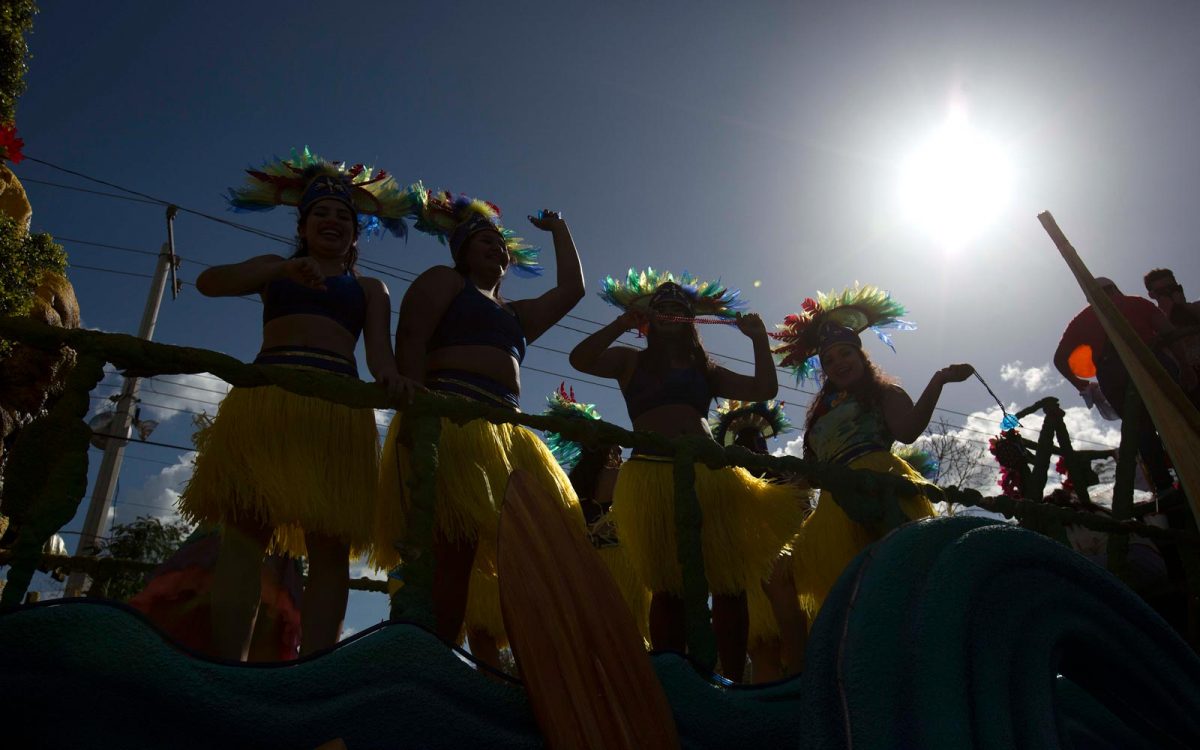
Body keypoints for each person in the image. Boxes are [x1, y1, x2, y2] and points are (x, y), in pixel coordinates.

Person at [179, 148, 423, 660]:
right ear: (303, 224)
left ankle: (316, 669)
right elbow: (207, 283)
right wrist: (280, 275)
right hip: (269, 400)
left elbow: (380, 357)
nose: (332, 221)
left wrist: (394, 379)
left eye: (343, 216)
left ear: (357, 234)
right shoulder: (275, 267)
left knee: (330, 547)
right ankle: (228, 665)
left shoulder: (372, 289)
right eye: (321, 214)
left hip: (337, 411)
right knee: (246, 535)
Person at [570, 269, 804, 682]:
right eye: (663, 308)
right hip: (651, 475)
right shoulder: (630, 360)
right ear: (650, 318)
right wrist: (621, 323)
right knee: (668, 584)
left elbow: (764, 388)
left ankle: (732, 680)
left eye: (680, 309)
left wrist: (757, 340)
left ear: (690, 320)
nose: (672, 313)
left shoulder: (705, 368)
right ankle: (674, 681)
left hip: (709, 472)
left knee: (728, 581)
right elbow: (580, 359)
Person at [375, 194, 586, 648]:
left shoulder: (516, 314)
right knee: (447, 545)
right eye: (484, 241)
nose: (497, 249)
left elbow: (572, 291)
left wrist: (560, 230)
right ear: (463, 250)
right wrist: (417, 414)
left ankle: (451, 652)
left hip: (501, 433)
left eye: (502, 245)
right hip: (449, 416)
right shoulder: (445, 281)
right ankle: (425, 651)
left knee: (480, 550)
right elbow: (411, 334)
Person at [773, 285, 971, 621]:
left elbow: (907, 431)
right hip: (833, 503)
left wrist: (938, 380)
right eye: (829, 359)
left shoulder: (883, 393)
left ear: (861, 355)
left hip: (878, 486)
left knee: (889, 582)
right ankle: (799, 665)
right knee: (780, 575)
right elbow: (809, 473)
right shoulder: (820, 413)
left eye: (845, 353)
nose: (838, 363)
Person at [1053, 277, 1197, 498]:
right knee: (1180, 414)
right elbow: (1168, 333)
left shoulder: (1082, 320)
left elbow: (1060, 359)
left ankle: (1164, 487)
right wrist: (1185, 367)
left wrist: (1081, 385)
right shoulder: (1136, 303)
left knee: (1142, 429)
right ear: (1115, 289)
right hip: (1150, 361)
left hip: (1114, 377)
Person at [542, 384, 650, 643]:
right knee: (629, 639)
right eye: (617, 451)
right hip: (620, 567)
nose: (620, 457)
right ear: (608, 451)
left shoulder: (571, 485)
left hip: (582, 570)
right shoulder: (620, 476)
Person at [710, 398, 808, 682]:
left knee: (789, 652)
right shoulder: (728, 481)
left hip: (786, 571)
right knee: (766, 654)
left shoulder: (785, 477)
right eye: (745, 441)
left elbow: (804, 517)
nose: (754, 447)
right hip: (750, 576)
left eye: (757, 441)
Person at [1144, 268, 1200, 401]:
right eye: (1162, 291)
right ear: (1152, 295)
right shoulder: (1154, 323)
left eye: (1173, 288)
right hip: (1188, 380)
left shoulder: (1196, 307)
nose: (1170, 293)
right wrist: (1166, 312)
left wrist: (1185, 306)